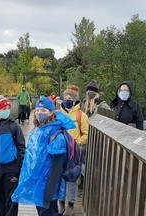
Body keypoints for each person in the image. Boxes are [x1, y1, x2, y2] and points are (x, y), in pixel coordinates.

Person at [12, 97, 76, 216]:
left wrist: (48, 193)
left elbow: (57, 165)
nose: (40, 113)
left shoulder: (56, 134)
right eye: (37, 110)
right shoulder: (37, 130)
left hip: (47, 184)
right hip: (37, 182)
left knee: (48, 212)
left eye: (44, 110)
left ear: (51, 112)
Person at [59, 85, 89, 216]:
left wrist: (76, 144)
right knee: (59, 178)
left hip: (74, 153)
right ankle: (61, 203)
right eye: (65, 97)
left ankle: (71, 204)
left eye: (70, 97)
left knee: (72, 178)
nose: (67, 100)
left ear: (75, 99)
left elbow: (86, 135)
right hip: (60, 152)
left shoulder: (81, 115)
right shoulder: (58, 114)